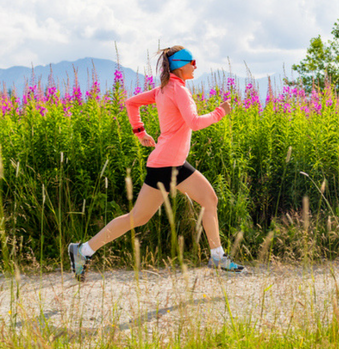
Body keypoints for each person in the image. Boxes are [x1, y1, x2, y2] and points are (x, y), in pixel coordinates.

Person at [68, 45, 244, 282]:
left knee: (209, 199)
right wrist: (219, 113)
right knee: (138, 217)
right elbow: (193, 122)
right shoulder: (177, 90)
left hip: (176, 163)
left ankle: (217, 256)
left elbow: (131, 102)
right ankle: (83, 251)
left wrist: (140, 132)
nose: (195, 66)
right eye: (193, 61)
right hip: (164, 165)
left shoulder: (165, 88)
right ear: (181, 64)